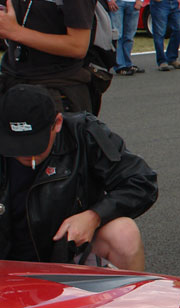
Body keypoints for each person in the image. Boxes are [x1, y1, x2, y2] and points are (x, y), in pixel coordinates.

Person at [0, 84, 157, 270]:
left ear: (57, 123)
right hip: (6, 266)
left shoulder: (83, 134)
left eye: (35, 143)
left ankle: (127, 298)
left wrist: (94, 216)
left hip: (67, 255)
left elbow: (141, 181)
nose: (26, 153)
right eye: (16, 145)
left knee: (123, 233)